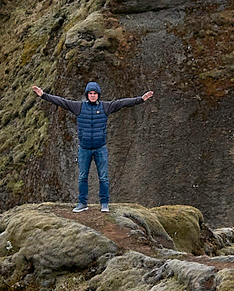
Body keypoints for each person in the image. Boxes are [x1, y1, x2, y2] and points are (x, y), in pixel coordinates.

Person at [32, 78, 155, 211]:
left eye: (95, 93)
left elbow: (122, 103)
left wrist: (141, 99)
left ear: (98, 95)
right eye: (90, 93)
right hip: (84, 149)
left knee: (103, 177)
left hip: (100, 148)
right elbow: (61, 101)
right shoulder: (78, 107)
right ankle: (82, 203)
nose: (92, 95)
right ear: (87, 95)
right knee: (82, 177)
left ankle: (104, 203)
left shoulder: (105, 107)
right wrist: (43, 95)